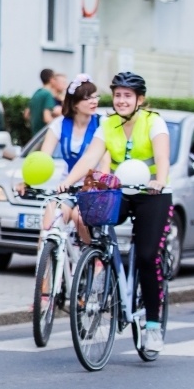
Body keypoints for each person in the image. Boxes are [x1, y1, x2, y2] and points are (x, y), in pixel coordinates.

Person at [59, 72, 172, 353]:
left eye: (127, 96)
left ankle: (153, 328)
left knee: (147, 257)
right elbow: (89, 157)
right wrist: (68, 182)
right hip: (121, 192)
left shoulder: (153, 121)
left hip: (152, 194)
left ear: (140, 99)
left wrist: (159, 180)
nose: (121, 101)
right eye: (118, 95)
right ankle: (102, 266)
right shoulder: (106, 125)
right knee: (92, 216)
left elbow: (162, 158)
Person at [16, 73, 108, 241]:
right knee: (48, 224)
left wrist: (101, 184)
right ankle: (45, 264)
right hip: (67, 186)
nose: (93, 101)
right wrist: (27, 182)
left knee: (79, 218)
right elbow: (43, 158)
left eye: (95, 97)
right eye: (87, 98)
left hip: (93, 187)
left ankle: (91, 258)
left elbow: (104, 162)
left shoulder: (102, 124)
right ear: (74, 104)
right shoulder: (59, 124)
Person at [25, 68, 61, 136]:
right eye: (55, 79)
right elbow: (47, 118)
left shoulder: (36, 93)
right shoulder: (47, 94)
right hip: (44, 135)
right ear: (51, 80)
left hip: (35, 135)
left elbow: (26, 114)